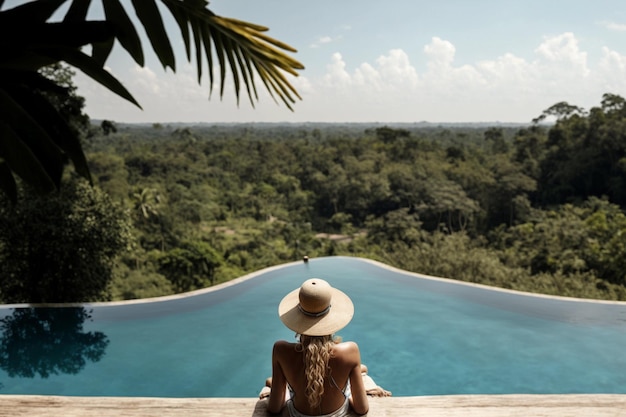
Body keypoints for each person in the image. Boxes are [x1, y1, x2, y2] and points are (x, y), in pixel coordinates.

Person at [263, 278, 370, 416]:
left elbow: (275, 408)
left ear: (298, 317)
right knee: (363, 370)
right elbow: (362, 409)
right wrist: (348, 397)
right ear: (331, 317)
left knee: (269, 381)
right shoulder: (350, 351)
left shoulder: (281, 350)